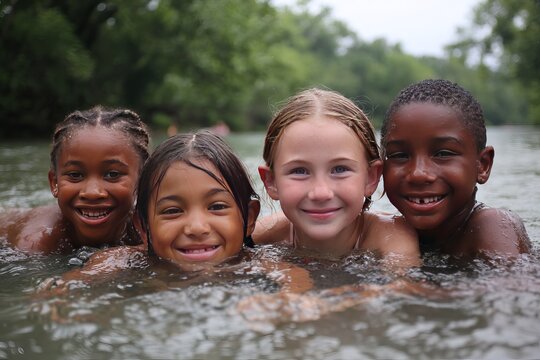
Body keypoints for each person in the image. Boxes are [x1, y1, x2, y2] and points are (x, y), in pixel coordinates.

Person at [44, 131, 312, 293]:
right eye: (173, 211)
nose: (196, 227)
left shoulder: (262, 264)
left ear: (250, 217)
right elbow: (73, 285)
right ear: (142, 227)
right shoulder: (120, 261)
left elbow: (296, 282)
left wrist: (287, 302)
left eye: (217, 207)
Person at [255, 88, 420, 267]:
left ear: (371, 178)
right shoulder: (265, 233)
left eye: (340, 169)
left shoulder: (390, 236)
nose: (320, 193)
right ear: (271, 182)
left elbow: (402, 287)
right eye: (299, 171)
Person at [381, 79, 531, 256]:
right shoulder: (383, 231)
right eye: (399, 155)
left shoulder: (494, 225)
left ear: (483, 165)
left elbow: (511, 284)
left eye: (443, 154)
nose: (418, 174)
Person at [1, 106, 150, 253]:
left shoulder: (146, 229)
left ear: (143, 181)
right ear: (54, 183)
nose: (92, 193)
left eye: (112, 174)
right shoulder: (38, 241)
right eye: (75, 175)